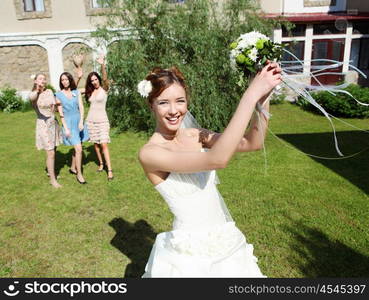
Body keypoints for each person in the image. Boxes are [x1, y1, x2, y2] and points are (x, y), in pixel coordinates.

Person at [138, 63, 282, 277]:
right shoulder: (150, 153)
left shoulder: (197, 135)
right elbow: (218, 159)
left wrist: (263, 97)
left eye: (180, 101)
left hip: (226, 240)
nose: (174, 110)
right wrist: (249, 96)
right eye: (163, 103)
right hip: (189, 255)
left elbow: (253, 142)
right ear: (151, 105)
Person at [29, 73, 62, 188]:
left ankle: (49, 170)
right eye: (40, 78)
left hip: (53, 123)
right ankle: (53, 180)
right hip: (43, 125)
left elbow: (54, 107)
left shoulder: (49, 92)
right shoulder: (34, 94)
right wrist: (38, 90)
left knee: (54, 148)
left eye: (44, 78)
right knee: (51, 152)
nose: (43, 80)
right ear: (36, 81)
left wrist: (58, 107)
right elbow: (31, 98)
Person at [56, 70, 89, 184]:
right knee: (79, 149)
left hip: (78, 122)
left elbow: (81, 107)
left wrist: (81, 121)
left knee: (78, 145)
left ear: (70, 80)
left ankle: (72, 168)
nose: (64, 82)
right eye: (62, 80)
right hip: (68, 123)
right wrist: (66, 128)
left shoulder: (76, 92)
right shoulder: (58, 95)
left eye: (66, 79)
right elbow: (61, 114)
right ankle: (79, 174)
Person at [84, 54, 114, 181]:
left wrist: (102, 65)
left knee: (104, 144)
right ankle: (101, 164)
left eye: (96, 79)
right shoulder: (90, 91)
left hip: (102, 121)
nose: (94, 82)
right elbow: (73, 90)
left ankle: (110, 170)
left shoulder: (104, 88)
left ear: (99, 79)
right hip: (90, 121)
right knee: (96, 145)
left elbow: (106, 78)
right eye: (92, 81)